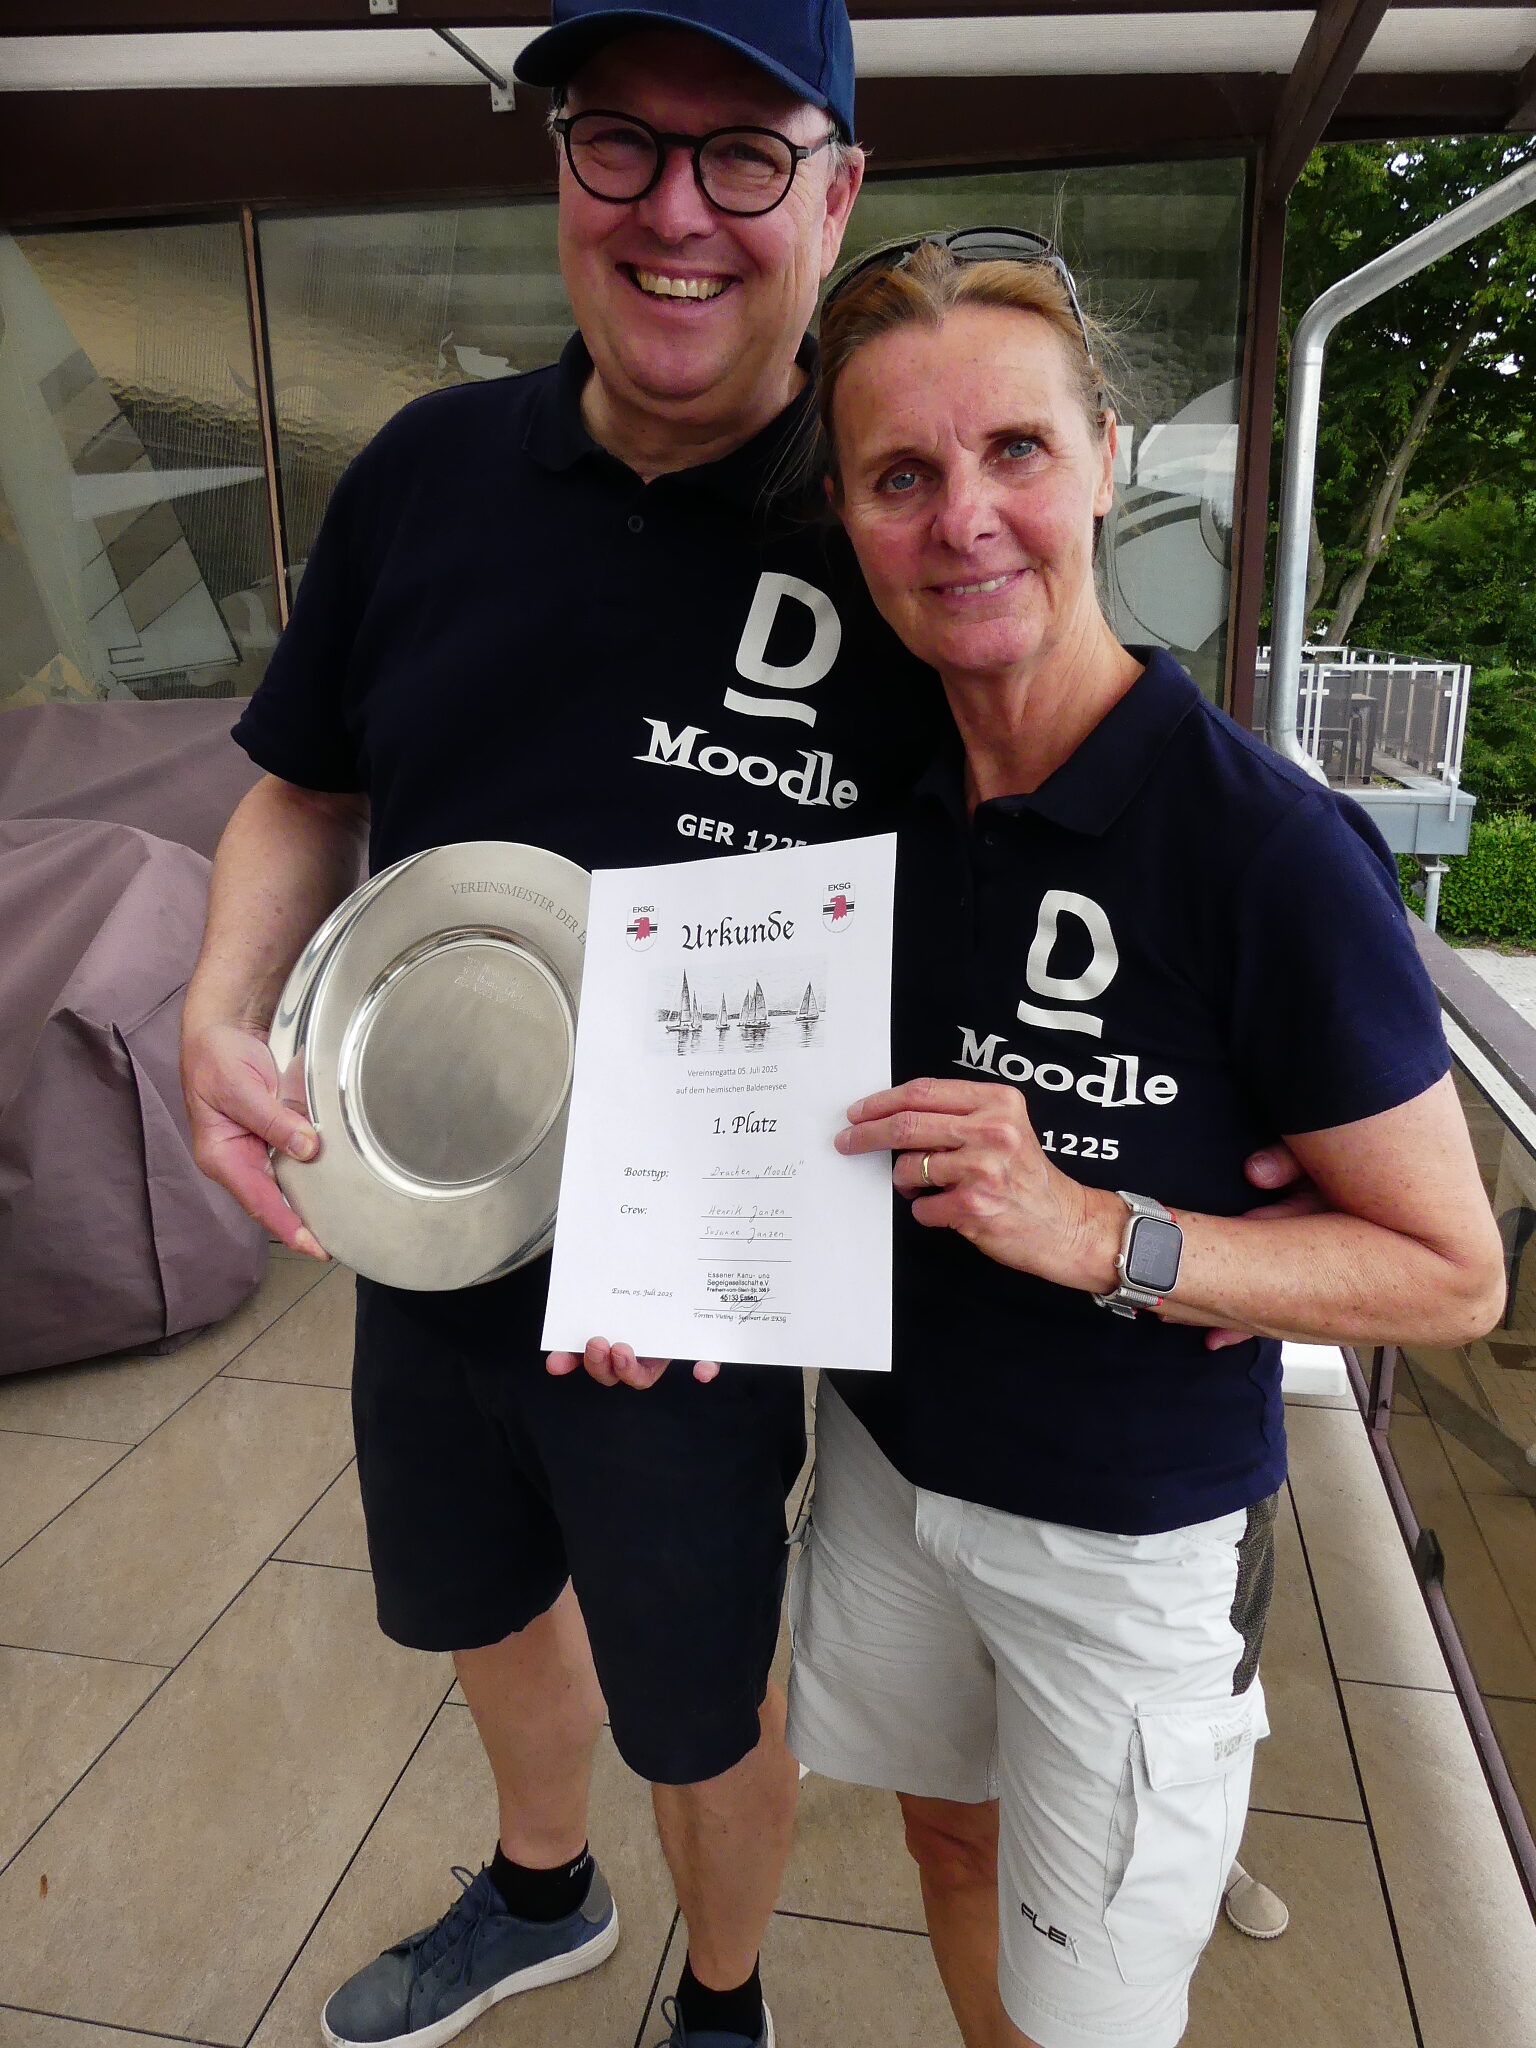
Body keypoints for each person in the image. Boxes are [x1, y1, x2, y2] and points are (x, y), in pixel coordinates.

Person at [178, 9, 947, 2048]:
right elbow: (304, 786)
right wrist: (218, 1003)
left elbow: (1075, 832)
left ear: (840, 193)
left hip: (707, 1285)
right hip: (424, 1204)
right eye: (621, 144)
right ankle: (543, 1887)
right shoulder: (430, 475)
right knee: (480, 1599)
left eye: (743, 154)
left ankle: (724, 1998)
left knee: (703, 1691)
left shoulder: (899, 523)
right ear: (559, 170)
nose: (674, 211)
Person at [780, 231, 1506, 2048]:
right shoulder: (869, 794)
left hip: (1127, 1534)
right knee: (949, 1842)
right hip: (884, 1461)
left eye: (1016, 449)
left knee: (1095, 2007)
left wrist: (1109, 1232)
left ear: (1109, 461)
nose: (965, 517)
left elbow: (1453, 1275)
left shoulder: (1265, 847)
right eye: (901, 474)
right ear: (849, 519)